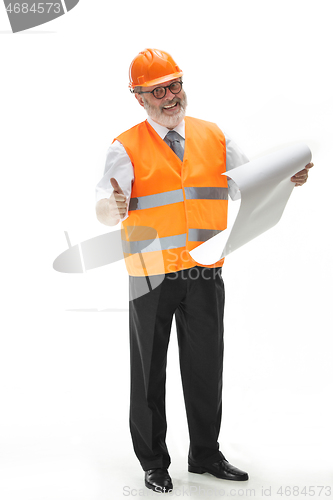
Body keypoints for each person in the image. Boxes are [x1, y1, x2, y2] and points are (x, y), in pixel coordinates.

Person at [95, 48, 313, 494]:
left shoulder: (214, 136)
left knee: (205, 366)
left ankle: (206, 454)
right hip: (150, 274)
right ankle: (154, 461)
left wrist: (287, 175)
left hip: (204, 271)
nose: (171, 97)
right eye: (159, 91)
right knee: (148, 368)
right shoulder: (125, 146)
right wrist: (109, 208)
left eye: (176, 85)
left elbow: (250, 181)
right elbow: (103, 206)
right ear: (140, 98)